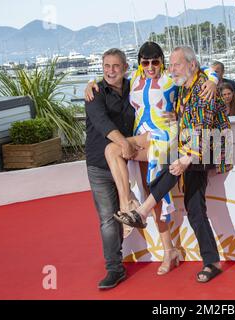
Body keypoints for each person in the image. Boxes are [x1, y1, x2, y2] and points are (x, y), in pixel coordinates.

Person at [85, 42, 218, 278]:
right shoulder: (133, 79)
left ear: (161, 62)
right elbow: (111, 77)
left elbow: (203, 69)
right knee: (113, 152)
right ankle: (130, 208)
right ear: (138, 64)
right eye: (145, 62)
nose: (150, 66)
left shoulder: (170, 77)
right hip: (142, 139)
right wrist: (90, 83)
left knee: (159, 194)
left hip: (164, 139)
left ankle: (168, 250)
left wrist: (213, 80)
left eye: (155, 61)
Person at [116, 46, 233, 283]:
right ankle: (212, 262)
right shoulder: (183, 88)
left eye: (176, 64)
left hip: (211, 149)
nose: (171, 69)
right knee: (194, 208)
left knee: (173, 168)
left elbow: (203, 130)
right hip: (193, 150)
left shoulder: (203, 90)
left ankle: (143, 210)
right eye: (170, 65)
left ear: (191, 65)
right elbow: (190, 122)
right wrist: (177, 118)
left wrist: (185, 160)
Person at [85, 48, 136, 289]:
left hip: (129, 162)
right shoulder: (95, 92)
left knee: (137, 208)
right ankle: (114, 268)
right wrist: (124, 142)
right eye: (107, 66)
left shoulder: (135, 86)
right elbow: (102, 123)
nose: (111, 71)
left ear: (125, 67)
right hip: (99, 165)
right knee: (108, 219)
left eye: (116, 66)